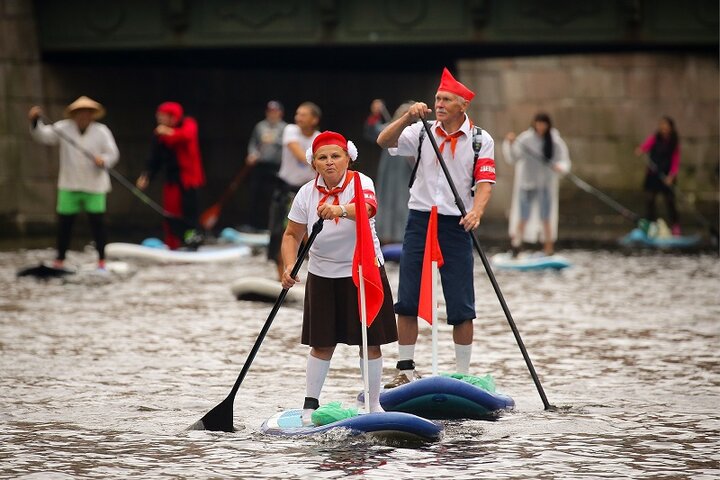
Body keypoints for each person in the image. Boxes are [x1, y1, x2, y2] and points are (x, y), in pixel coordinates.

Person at [376, 67, 496, 387]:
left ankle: (463, 374)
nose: (439, 104)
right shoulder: (421, 131)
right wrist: (406, 119)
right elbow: (382, 140)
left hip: (457, 222)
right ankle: (405, 369)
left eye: (446, 99)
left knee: (461, 301)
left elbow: (485, 182)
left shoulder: (480, 140)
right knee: (408, 297)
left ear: (462, 105)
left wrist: (477, 211)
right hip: (420, 219)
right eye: (437, 98)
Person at [280, 130, 398, 425]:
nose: (330, 162)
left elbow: (368, 208)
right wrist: (289, 265)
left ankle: (373, 405)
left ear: (348, 158)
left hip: (363, 271)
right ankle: (310, 406)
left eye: (336, 156)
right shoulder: (306, 193)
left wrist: (340, 209)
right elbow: (292, 234)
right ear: (314, 164)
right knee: (321, 343)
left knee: (370, 341)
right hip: (322, 273)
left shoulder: (361, 182)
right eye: (323, 158)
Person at [28, 96, 120, 270]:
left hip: (94, 185)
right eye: (80, 113)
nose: (83, 116)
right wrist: (35, 121)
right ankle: (60, 259)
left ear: (92, 115)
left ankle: (101, 260)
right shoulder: (64, 128)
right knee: (65, 224)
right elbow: (43, 135)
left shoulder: (102, 131)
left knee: (98, 224)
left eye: (87, 113)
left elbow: (113, 153)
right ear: (74, 114)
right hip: (69, 184)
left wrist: (103, 160)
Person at [136, 102, 205, 250]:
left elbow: (186, 136)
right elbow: (154, 159)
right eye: (158, 116)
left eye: (162, 116)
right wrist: (146, 175)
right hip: (172, 179)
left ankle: (193, 243)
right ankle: (173, 244)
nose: (159, 119)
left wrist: (168, 132)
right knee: (170, 215)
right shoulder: (159, 135)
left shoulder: (188, 123)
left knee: (190, 215)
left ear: (172, 117)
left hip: (189, 180)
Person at [502, 112, 571, 257]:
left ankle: (548, 249)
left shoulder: (555, 140)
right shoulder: (526, 139)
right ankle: (516, 246)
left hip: (545, 186)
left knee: (546, 217)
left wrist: (560, 167)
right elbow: (513, 157)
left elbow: (564, 161)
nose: (541, 127)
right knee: (523, 216)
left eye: (543, 123)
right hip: (527, 185)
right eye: (538, 123)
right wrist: (510, 143)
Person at [268, 102, 321, 279]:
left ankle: (318, 272)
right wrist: (320, 162)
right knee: (280, 232)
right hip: (286, 188)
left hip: (308, 190)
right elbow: (300, 154)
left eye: (303, 115)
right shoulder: (291, 130)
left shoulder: (319, 138)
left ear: (314, 119)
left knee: (310, 231)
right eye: (297, 114)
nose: (298, 117)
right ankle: (280, 275)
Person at [363, 99, 415, 244]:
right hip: (389, 175)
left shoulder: (419, 134)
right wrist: (375, 113)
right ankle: (384, 238)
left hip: (407, 175)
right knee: (386, 204)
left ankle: (404, 237)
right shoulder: (389, 129)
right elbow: (372, 131)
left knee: (404, 204)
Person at [243, 100, 287, 231]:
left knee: (272, 196)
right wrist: (252, 154)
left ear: (280, 113)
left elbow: (288, 144)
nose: (272, 114)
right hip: (260, 165)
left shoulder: (285, 128)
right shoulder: (260, 126)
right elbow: (253, 143)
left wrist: (275, 140)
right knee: (255, 194)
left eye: (275, 111)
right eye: (270, 112)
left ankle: (270, 226)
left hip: (276, 167)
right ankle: (253, 224)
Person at [634, 116, 681, 236]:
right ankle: (651, 225)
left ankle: (675, 226)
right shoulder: (655, 138)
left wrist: (672, 176)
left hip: (667, 176)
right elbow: (645, 146)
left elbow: (676, 160)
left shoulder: (674, 142)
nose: (663, 128)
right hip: (653, 174)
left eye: (666, 126)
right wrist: (640, 150)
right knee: (650, 200)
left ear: (671, 128)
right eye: (662, 126)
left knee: (670, 201)